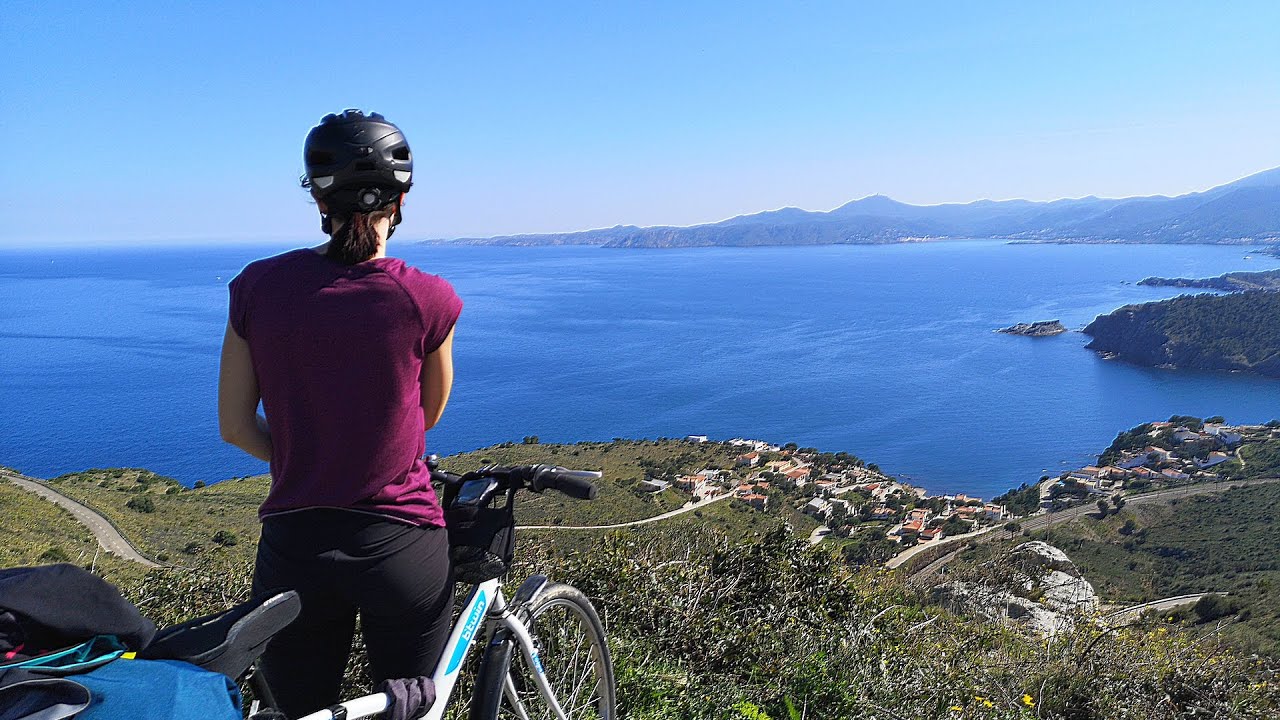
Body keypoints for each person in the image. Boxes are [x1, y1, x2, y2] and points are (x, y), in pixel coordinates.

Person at [218, 109, 462, 717]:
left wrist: (308, 456)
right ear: (400, 200)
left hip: (294, 546)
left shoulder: (258, 289)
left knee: (298, 713)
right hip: (400, 544)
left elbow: (234, 425)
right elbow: (427, 413)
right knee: (408, 708)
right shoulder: (427, 298)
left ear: (318, 200)